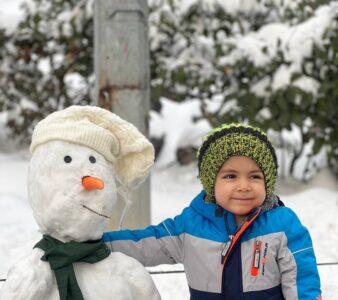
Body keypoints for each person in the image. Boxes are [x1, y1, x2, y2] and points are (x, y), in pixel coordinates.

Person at [103, 123, 322, 300]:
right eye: (230, 176)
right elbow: (145, 242)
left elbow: (302, 281)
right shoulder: (190, 226)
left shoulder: (282, 224)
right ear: (210, 183)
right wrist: (95, 245)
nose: (244, 186)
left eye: (255, 176)